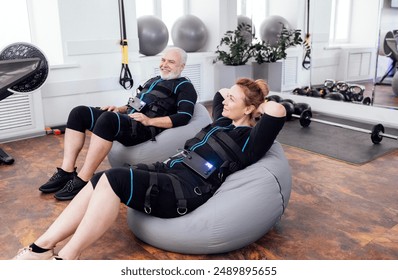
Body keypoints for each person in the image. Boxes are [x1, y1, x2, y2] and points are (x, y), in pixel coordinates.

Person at [13, 78, 286, 260]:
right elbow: (220, 93)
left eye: (234, 100)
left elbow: (277, 110)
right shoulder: (223, 121)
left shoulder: (251, 141)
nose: (225, 102)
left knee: (115, 179)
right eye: (229, 98)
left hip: (186, 189)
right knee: (99, 180)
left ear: (250, 108)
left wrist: (258, 102)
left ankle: (68, 257)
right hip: (168, 171)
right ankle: (43, 247)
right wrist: (242, 92)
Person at [39, 47, 197, 201]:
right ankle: (67, 171)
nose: (164, 64)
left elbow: (184, 116)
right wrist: (119, 109)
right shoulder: (154, 80)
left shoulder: (185, 87)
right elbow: (137, 104)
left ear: (182, 66)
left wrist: (150, 121)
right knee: (79, 112)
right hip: (130, 118)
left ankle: (84, 179)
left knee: (108, 119)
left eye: (171, 62)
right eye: (163, 60)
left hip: (144, 128)